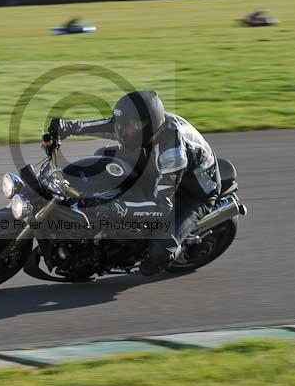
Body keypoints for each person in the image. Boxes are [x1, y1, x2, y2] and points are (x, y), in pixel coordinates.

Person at [44, 90, 221, 275]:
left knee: (159, 251)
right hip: (153, 162)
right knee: (103, 159)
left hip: (193, 191)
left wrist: (118, 208)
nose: (121, 130)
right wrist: (66, 127)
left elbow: (162, 207)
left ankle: (159, 253)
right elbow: (108, 124)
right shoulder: (144, 130)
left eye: (128, 126)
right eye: (122, 124)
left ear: (147, 126)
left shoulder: (172, 155)